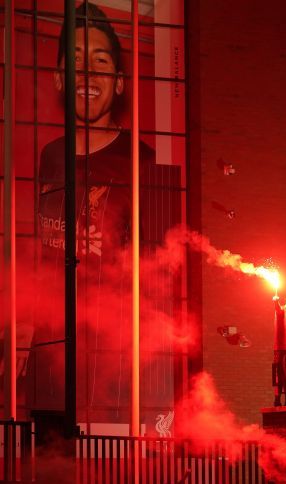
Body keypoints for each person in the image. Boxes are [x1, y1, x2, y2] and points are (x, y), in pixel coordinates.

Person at [34, 1, 156, 419]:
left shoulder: (141, 161)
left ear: (119, 82)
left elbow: (153, 264)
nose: (87, 73)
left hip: (112, 354)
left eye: (100, 61)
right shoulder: (50, 155)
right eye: (77, 61)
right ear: (58, 78)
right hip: (50, 352)